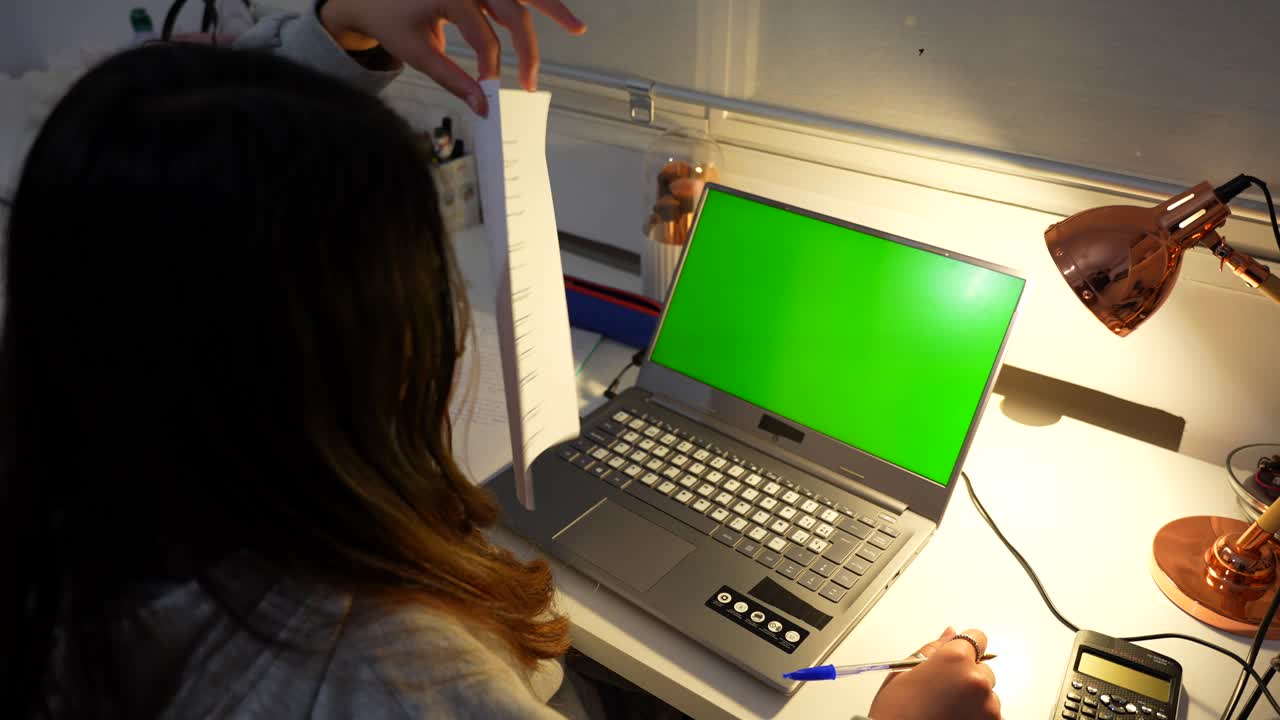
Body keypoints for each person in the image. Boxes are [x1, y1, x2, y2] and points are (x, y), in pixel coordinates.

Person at [0, 9, 1001, 720]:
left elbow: (151, 171)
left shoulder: (78, 501)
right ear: (374, 352)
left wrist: (336, 31)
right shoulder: (396, 676)